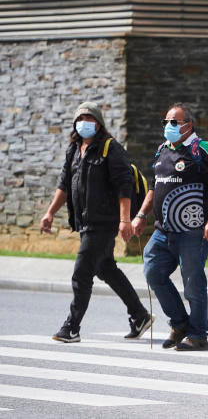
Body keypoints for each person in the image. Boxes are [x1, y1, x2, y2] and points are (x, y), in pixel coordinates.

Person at [41, 102, 153, 343]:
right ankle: (140, 315)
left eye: (90, 119)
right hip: (85, 222)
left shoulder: (110, 149)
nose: (85, 123)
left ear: (99, 123)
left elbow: (124, 186)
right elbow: (64, 185)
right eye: (80, 118)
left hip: (104, 222)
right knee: (105, 269)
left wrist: (125, 220)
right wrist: (50, 213)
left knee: (82, 273)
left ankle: (72, 327)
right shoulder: (74, 150)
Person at [133, 103, 208, 351]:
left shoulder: (199, 149)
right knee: (153, 271)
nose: (168, 127)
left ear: (188, 125)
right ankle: (180, 323)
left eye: (174, 122)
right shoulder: (162, 150)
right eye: (166, 122)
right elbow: (155, 186)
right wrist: (142, 214)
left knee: (193, 282)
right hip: (163, 231)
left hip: (193, 232)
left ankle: (198, 335)